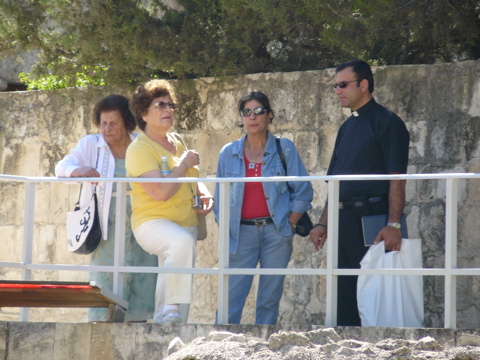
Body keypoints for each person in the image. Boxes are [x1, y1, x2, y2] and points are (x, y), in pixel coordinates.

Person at [309, 59, 410, 326]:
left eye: (343, 84)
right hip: (344, 223)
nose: (337, 91)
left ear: (363, 85)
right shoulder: (346, 128)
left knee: (376, 295)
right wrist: (322, 223)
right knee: (345, 298)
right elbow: (337, 182)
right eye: (335, 86)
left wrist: (394, 224)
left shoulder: (388, 122)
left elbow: (397, 179)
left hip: (374, 220)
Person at [55, 94, 157, 322]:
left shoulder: (142, 145)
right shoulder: (91, 144)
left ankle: (137, 328)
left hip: (141, 221)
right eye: (103, 123)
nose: (107, 129)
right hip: (106, 225)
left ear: (127, 124)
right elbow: (62, 167)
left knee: (143, 277)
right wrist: (78, 171)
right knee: (105, 278)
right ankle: (100, 329)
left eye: (113, 123)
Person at [214, 91, 313, 325]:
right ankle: (221, 346)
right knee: (230, 298)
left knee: (269, 297)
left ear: (270, 115)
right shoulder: (228, 153)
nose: (252, 116)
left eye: (258, 111)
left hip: (276, 232)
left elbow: (303, 191)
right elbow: (220, 199)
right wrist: (226, 227)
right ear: (242, 118)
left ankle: (264, 344)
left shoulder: (285, 149)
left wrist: (289, 225)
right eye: (246, 112)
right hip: (240, 233)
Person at [126, 79, 213, 324]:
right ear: (143, 113)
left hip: (186, 222)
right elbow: (159, 192)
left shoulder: (178, 142)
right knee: (181, 244)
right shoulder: (139, 149)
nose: (168, 110)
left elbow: (189, 178)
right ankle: (170, 311)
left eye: (171, 105)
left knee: (175, 289)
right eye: (160, 105)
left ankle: (168, 328)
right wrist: (185, 163)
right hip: (152, 222)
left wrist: (204, 192)